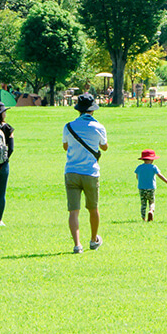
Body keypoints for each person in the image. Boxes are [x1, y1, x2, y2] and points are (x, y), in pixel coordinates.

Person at [63, 93, 108, 253]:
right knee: (93, 208)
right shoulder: (99, 127)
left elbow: (65, 146)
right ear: (92, 110)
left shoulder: (68, 126)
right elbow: (104, 147)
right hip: (90, 171)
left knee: (73, 211)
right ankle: (93, 239)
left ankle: (77, 244)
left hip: (71, 171)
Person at [134, 149, 167, 221]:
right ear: (152, 160)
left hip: (141, 188)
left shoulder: (139, 167)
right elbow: (160, 176)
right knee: (151, 202)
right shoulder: (153, 167)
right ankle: (151, 211)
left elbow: (137, 176)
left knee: (143, 203)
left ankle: (143, 218)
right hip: (151, 188)